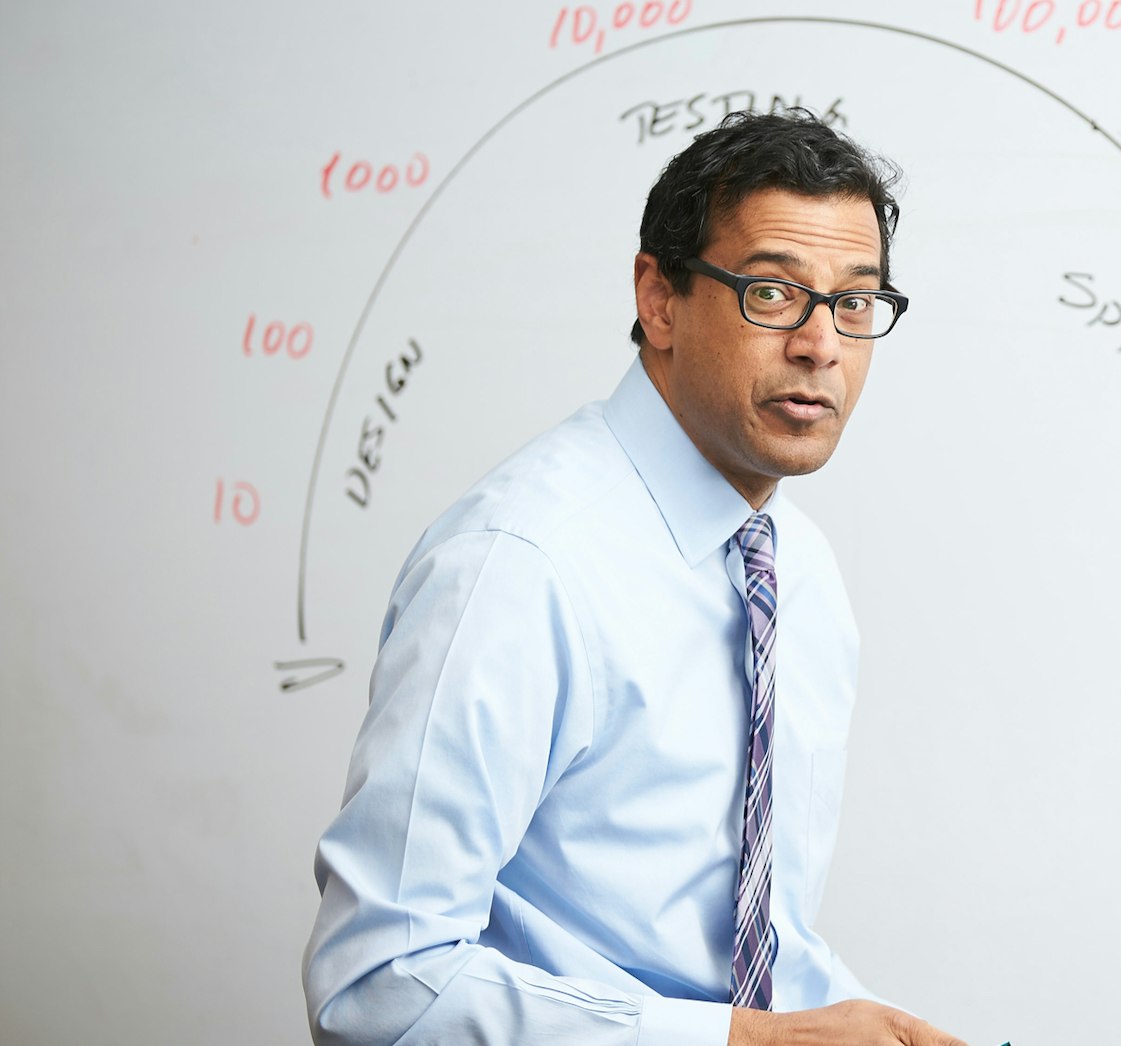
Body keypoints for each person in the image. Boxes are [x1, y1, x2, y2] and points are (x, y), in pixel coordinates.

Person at [302, 110, 965, 1046]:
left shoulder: (796, 571)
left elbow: (750, 948)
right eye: (772, 293)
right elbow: (379, 987)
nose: (822, 345)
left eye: (854, 303)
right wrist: (744, 1044)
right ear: (660, 300)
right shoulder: (518, 566)